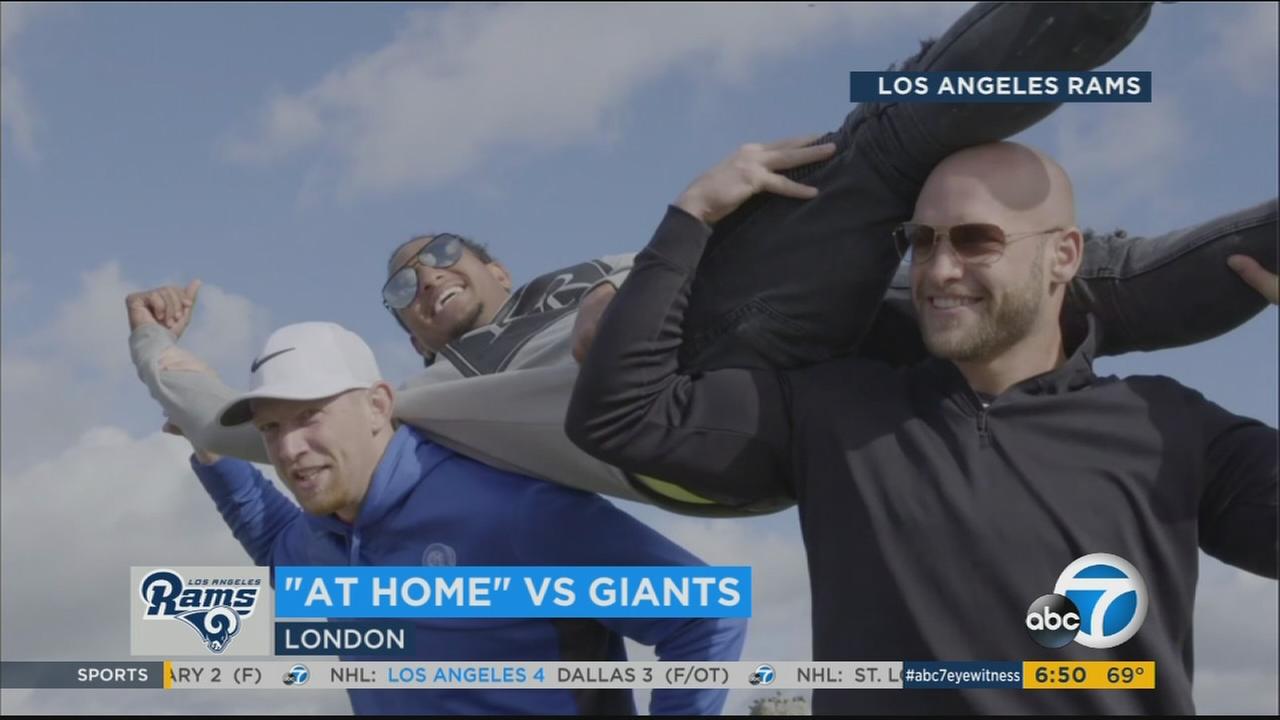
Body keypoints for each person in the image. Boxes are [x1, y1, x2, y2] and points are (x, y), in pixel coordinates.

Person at [128, 1, 1275, 519]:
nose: (423, 283)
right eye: (400, 289)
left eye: (439, 258)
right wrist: (156, 347)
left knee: (1057, 279)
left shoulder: (593, 265)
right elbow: (233, 422)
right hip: (692, 415)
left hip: (814, 362)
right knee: (879, 147)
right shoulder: (415, 399)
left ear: (489, 258)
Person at [565, 139, 1278, 714]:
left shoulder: (1168, 427)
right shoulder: (834, 411)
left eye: (974, 241)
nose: (940, 270)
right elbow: (620, 416)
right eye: (923, 241)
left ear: (1063, 255)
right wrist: (691, 218)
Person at [144, 313, 747, 716]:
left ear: (378, 405)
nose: (288, 448)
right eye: (271, 428)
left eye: (309, 416)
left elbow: (704, 614)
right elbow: (271, 537)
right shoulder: (318, 541)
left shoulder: (508, 509)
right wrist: (206, 435)